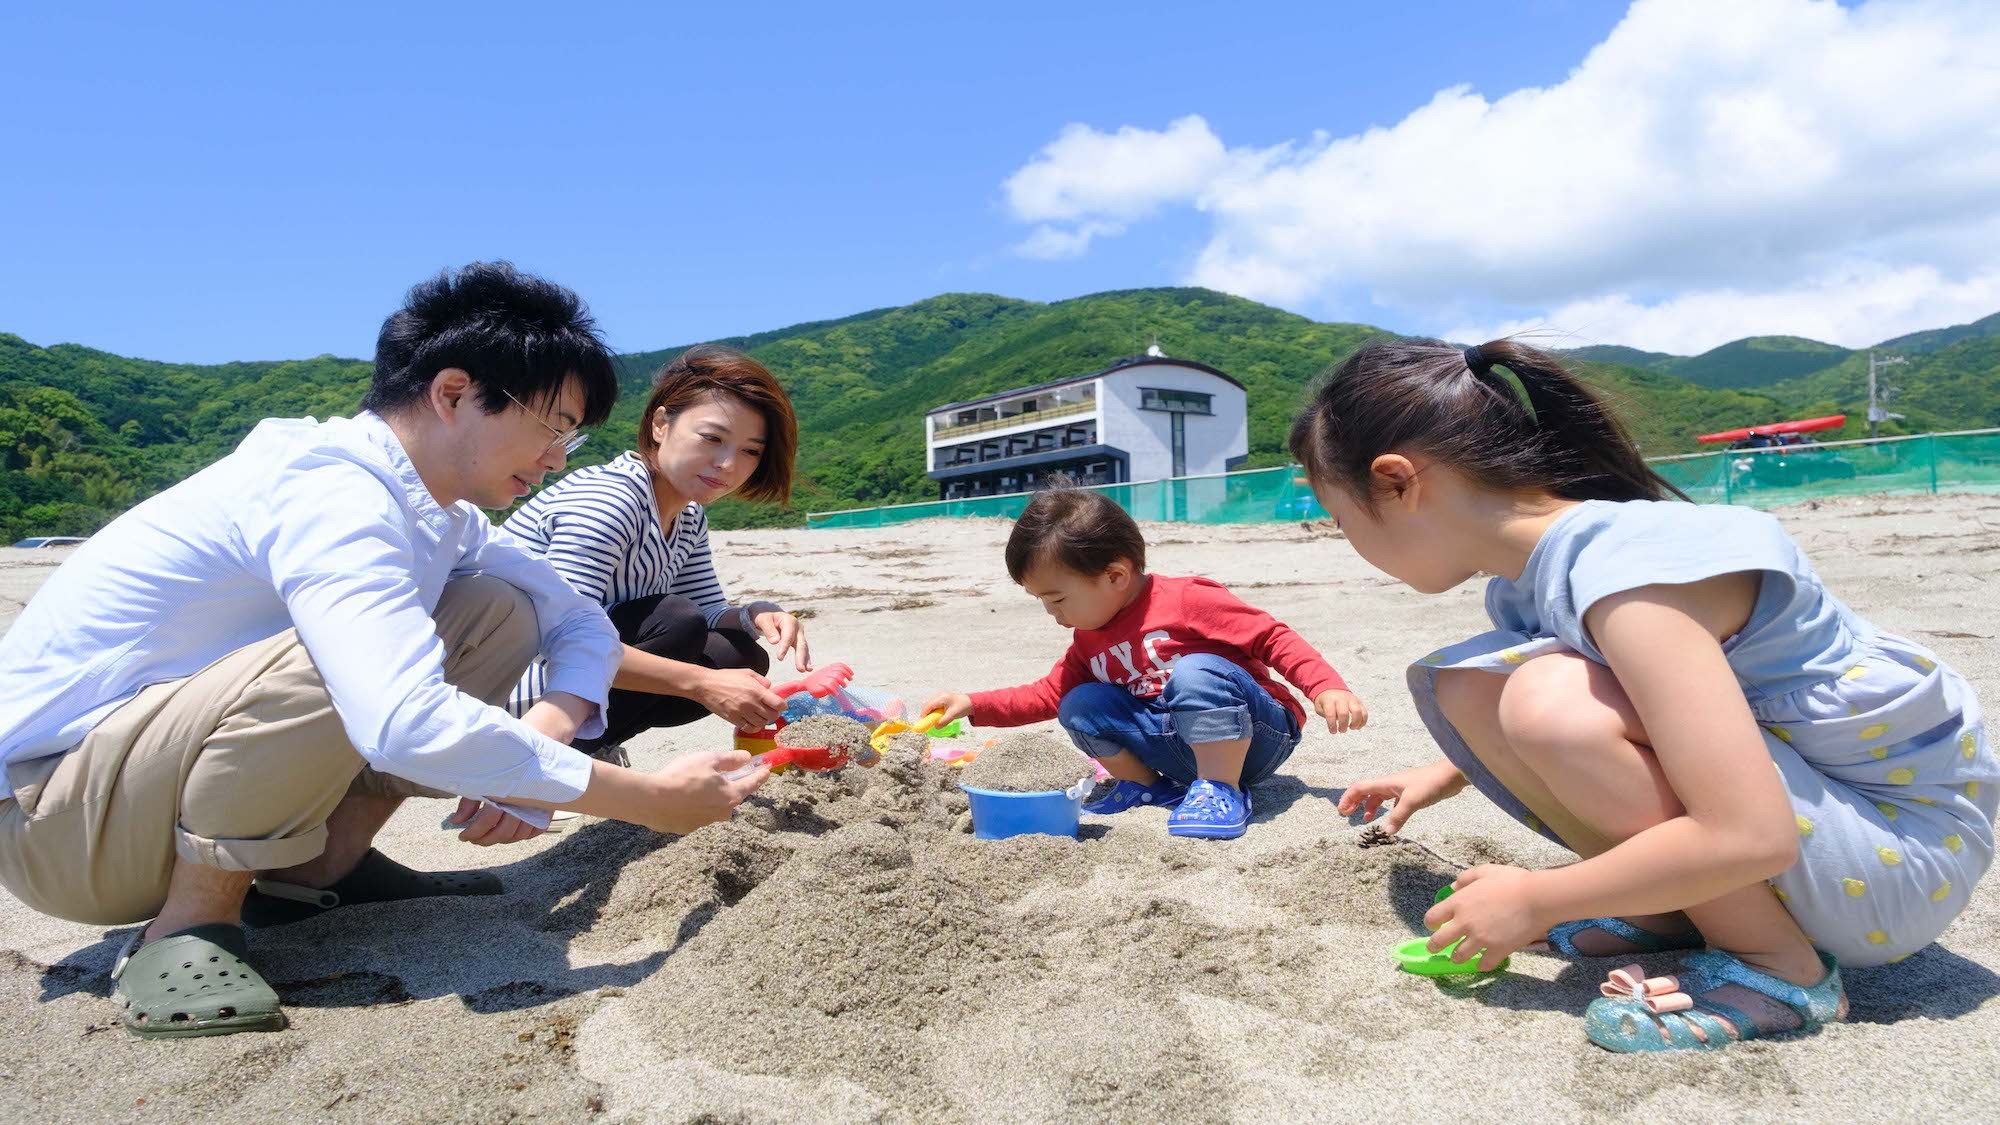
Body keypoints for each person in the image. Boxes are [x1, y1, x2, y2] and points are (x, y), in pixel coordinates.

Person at [0, 262, 770, 1040]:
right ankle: (187, 927)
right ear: (453, 392)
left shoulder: (436, 511)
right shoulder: (332, 492)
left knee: (495, 609)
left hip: (138, 791)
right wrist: (650, 802)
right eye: (551, 425)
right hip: (58, 821)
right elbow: (403, 721)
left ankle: (318, 867)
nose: (558, 457)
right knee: (337, 660)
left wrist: (550, 728)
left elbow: (576, 619)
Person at [1299, 338, 1994, 1053]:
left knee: (1548, 700)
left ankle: (1777, 965)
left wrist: (1537, 897)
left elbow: (1753, 834)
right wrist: (1445, 772)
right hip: (1833, 818)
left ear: (1396, 482)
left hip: (1901, 858)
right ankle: (1678, 909)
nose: (1344, 539)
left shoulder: (1628, 577)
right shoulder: (1540, 571)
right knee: (1475, 684)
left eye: (1340, 518)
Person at [924, 485, 1365, 840]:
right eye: (1041, 600)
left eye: (1057, 598)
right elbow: (1049, 694)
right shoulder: (1090, 638)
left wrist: (1325, 687)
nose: (1052, 613)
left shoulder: (1187, 598)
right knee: (1080, 703)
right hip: (1176, 744)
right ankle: (1152, 787)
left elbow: (1272, 638)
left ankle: (1221, 789)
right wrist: (972, 703)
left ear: (1115, 576)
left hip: (1254, 735)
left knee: (1195, 672)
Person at [502, 345, 807, 761]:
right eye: (712, 438)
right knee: (676, 622)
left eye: (750, 451)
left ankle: (590, 747)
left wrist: (755, 614)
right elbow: (558, 637)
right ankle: (544, 754)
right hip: (504, 677)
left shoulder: (687, 514)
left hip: (570, 665)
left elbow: (710, 612)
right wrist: (699, 683)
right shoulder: (608, 501)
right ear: (661, 424)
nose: (727, 463)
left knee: (738, 654)